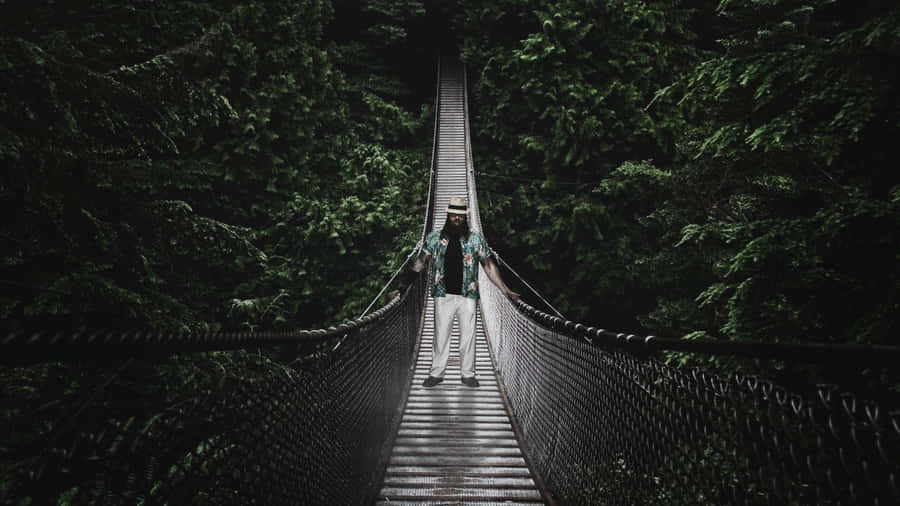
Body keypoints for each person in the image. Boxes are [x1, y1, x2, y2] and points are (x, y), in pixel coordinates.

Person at [392, 197, 519, 388]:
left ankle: (468, 375)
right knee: (440, 336)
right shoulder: (434, 238)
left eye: (460, 214)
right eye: (454, 214)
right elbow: (420, 262)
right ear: (448, 214)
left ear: (465, 216)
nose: (457, 217)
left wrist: (504, 289)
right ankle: (436, 374)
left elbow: (489, 265)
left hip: (467, 295)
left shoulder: (475, 239)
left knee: (468, 336)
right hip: (443, 295)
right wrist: (404, 286)